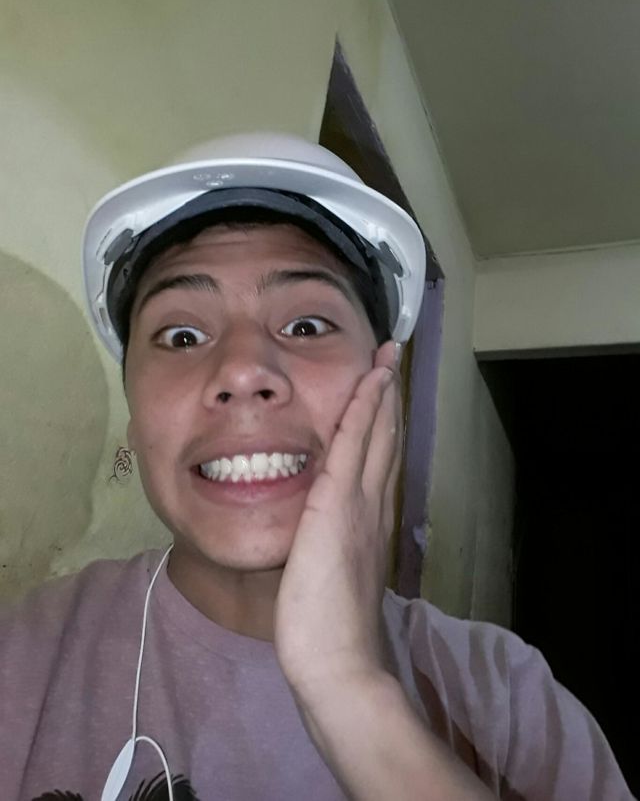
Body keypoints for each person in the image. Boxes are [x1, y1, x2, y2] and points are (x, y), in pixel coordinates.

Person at [0, 133, 633, 801]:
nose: (243, 371)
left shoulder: (506, 699)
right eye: (182, 335)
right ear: (136, 421)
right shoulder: (23, 657)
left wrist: (349, 688)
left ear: (383, 391)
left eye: (305, 326)